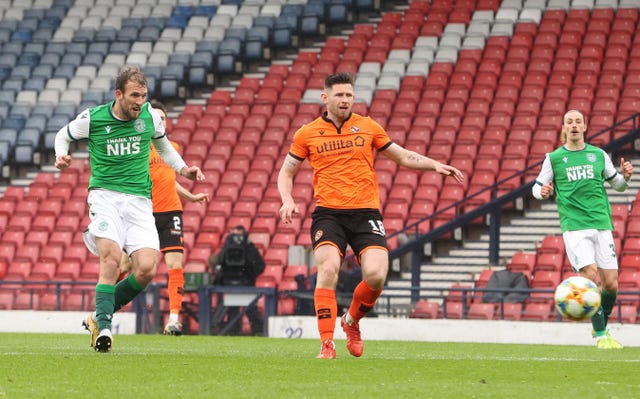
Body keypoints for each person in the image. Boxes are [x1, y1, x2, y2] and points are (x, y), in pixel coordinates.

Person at [277, 72, 464, 359]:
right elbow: (286, 172)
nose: (345, 100)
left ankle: (351, 321)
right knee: (327, 270)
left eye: (349, 95)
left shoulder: (367, 126)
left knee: (376, 276)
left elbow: (402, 155)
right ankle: (327, 343)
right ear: (325, 98)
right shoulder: (307, 133)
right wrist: (287, 199)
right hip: (329, 214)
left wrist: (435, 165)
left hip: (365, 213)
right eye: (339, 95)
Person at [54, 65, 205, 352]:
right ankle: (105, 331)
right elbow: (63, 135)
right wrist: (61, 154)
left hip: (139, 201)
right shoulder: (94, 118)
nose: (140, 101)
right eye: (135, 95)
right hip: (104, 198)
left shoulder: (149, 116)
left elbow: (163, 146)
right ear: (119, 94)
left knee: (147, 268)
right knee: (111, 258)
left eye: (144, 95)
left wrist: (184, 169)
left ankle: (99, 315)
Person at [532, 109, 633, 349]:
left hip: (601, 223)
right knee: (589, 275)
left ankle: (601, 326)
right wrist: (542, 192)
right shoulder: (554, 158)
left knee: (611, 284)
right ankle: (601, 337)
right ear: (564, 128)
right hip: (575, 227)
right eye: (570, 122)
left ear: (585, 126)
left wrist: (626, 177)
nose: (574, 125)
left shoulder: (598, 155)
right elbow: (536, 188)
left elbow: (617, 185)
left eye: (578, 121)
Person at [117, 100, 210, 336]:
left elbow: (170, 181)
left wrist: (191, 197)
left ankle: (174, 320)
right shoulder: (137, 148)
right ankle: (104, 308)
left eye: (163, 118)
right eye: (155, 117)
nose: (160, 121)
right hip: (144, 213)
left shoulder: (172, 148)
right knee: (126, 265)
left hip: (171, 212)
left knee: (175, 264)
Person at [209, 225, 265, 335]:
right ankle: (231, 330)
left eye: (240, 235)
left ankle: (258, 331)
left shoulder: (250, 249)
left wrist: (250, 273)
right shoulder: (226, 248)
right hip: (230, 284)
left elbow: (260, 266)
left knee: (250, 308)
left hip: (246, 284)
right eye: (235, 235)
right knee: (232, 309)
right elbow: (218, 262)